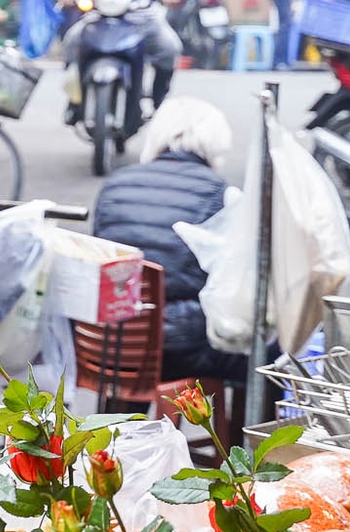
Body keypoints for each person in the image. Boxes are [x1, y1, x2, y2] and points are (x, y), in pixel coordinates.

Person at [92, 98, 244, 384]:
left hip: (109, 341)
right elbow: (227, 281)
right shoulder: (218, 194)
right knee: (267, 356)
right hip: (178, 348)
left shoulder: (115, 184)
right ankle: (244, 430)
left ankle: (124, 423)